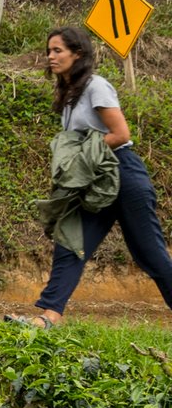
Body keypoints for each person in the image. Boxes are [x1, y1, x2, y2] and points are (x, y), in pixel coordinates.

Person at [11, 26, 172, 329]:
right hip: (94, 181)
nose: (50, 56)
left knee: (149, 254)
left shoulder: (96, 86)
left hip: (122, 173)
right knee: (71, 244)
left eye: (58, 50)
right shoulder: (69, 95)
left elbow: (121, 134)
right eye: (49, 51)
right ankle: (47, 318)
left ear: (78, 53)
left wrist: (80, 154)